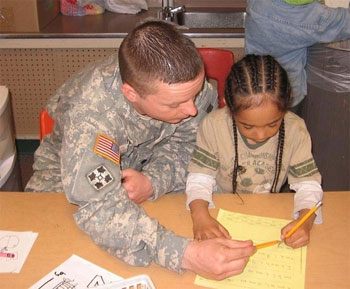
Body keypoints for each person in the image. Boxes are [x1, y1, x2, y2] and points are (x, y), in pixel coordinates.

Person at [25, 21, 256, 280]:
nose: (191, 110)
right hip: (70, 176)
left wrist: (153, 180)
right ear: (131, 94)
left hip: (147, 165)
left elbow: (190, 147)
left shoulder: (185, 87)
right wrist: (185, 254)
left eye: (195, 95)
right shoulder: (91, 115)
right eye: (177, 104)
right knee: (63, 262)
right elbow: (99, 207)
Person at [186, 54, 323, 249]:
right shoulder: (214, 126)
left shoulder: (295, 129)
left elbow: (308, 185)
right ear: (229, 108)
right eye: (248, 126)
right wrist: (200, 217)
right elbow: (200, 178)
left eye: (273, 124)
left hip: (266, 213)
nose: (260, 135)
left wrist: (305, 223)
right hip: (218, 210)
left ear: (286, 107)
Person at [244, 0, 350, 115]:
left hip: (250, 85)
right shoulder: (311, 16)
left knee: (255, 127)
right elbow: (346, 23)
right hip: (286, 95)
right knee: (289, 129)